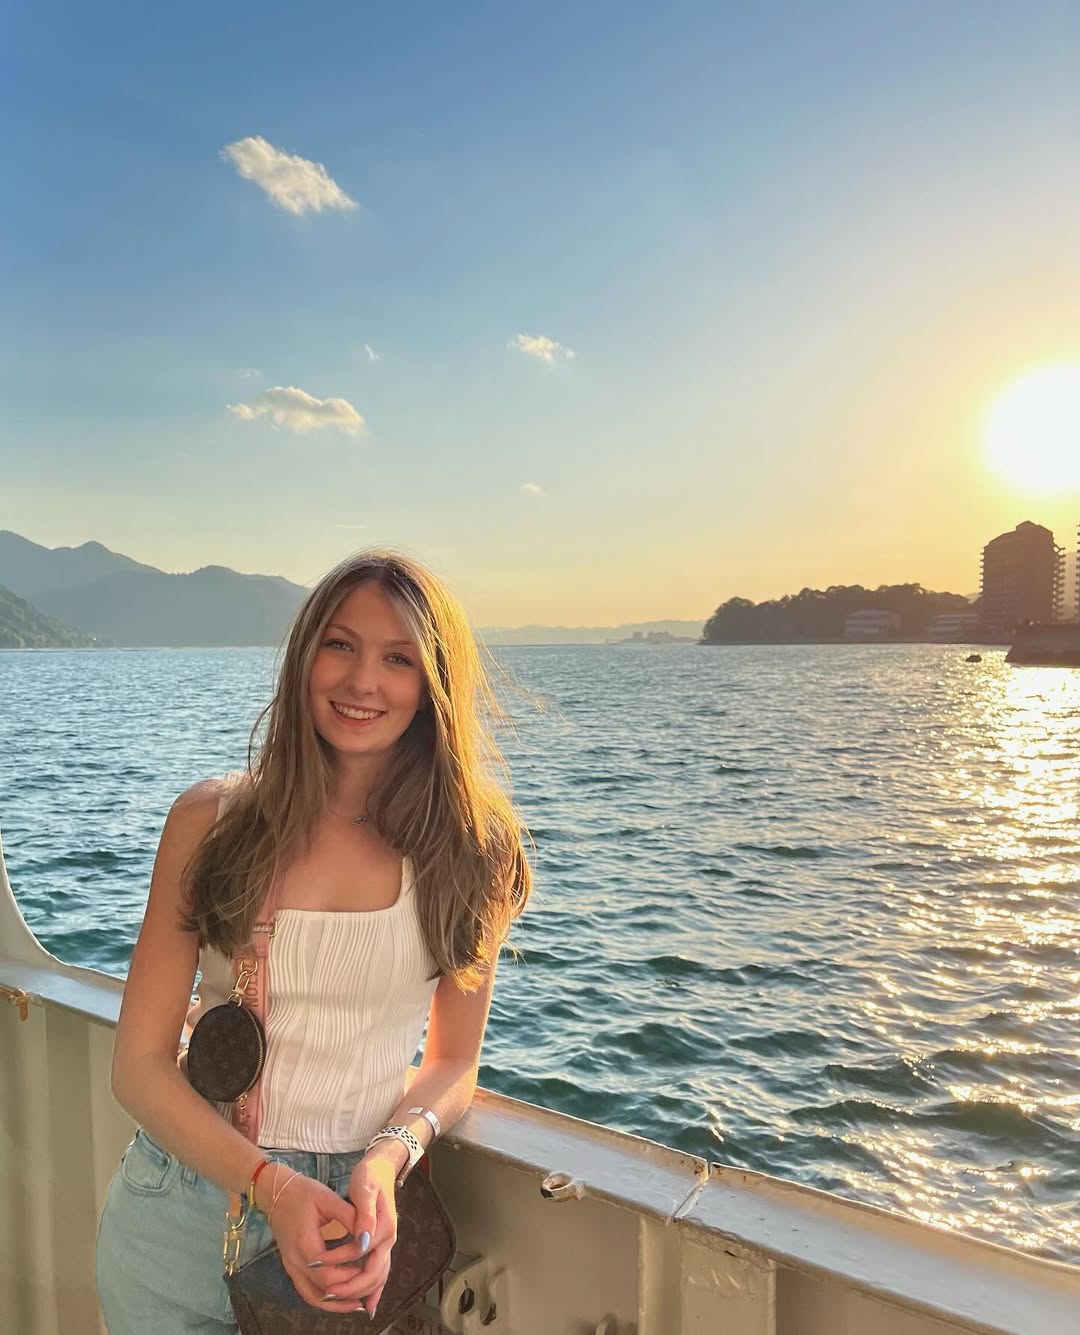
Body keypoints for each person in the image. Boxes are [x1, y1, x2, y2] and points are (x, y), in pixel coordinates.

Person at [96, 549, 530, 1333]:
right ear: (304, 655)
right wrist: (273, 1184)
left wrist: (387, 1159)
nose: (363, 681)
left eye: (398, 658)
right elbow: (139, 1065)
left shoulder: (471, 848)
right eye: (340, 645)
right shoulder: (210, 822)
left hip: (347, 1225)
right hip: (178, 1211)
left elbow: (452, 1061)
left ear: (433, 683)